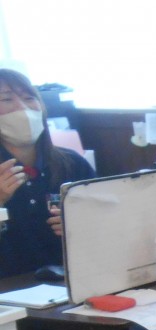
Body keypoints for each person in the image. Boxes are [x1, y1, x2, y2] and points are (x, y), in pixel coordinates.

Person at [0, 69, 95, 278]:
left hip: (71, 279)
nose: (22, 107)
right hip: (10, 287)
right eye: (6, 99)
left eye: (29, 98)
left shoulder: (72, 163)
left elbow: (105, 221)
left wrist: (81, 223)